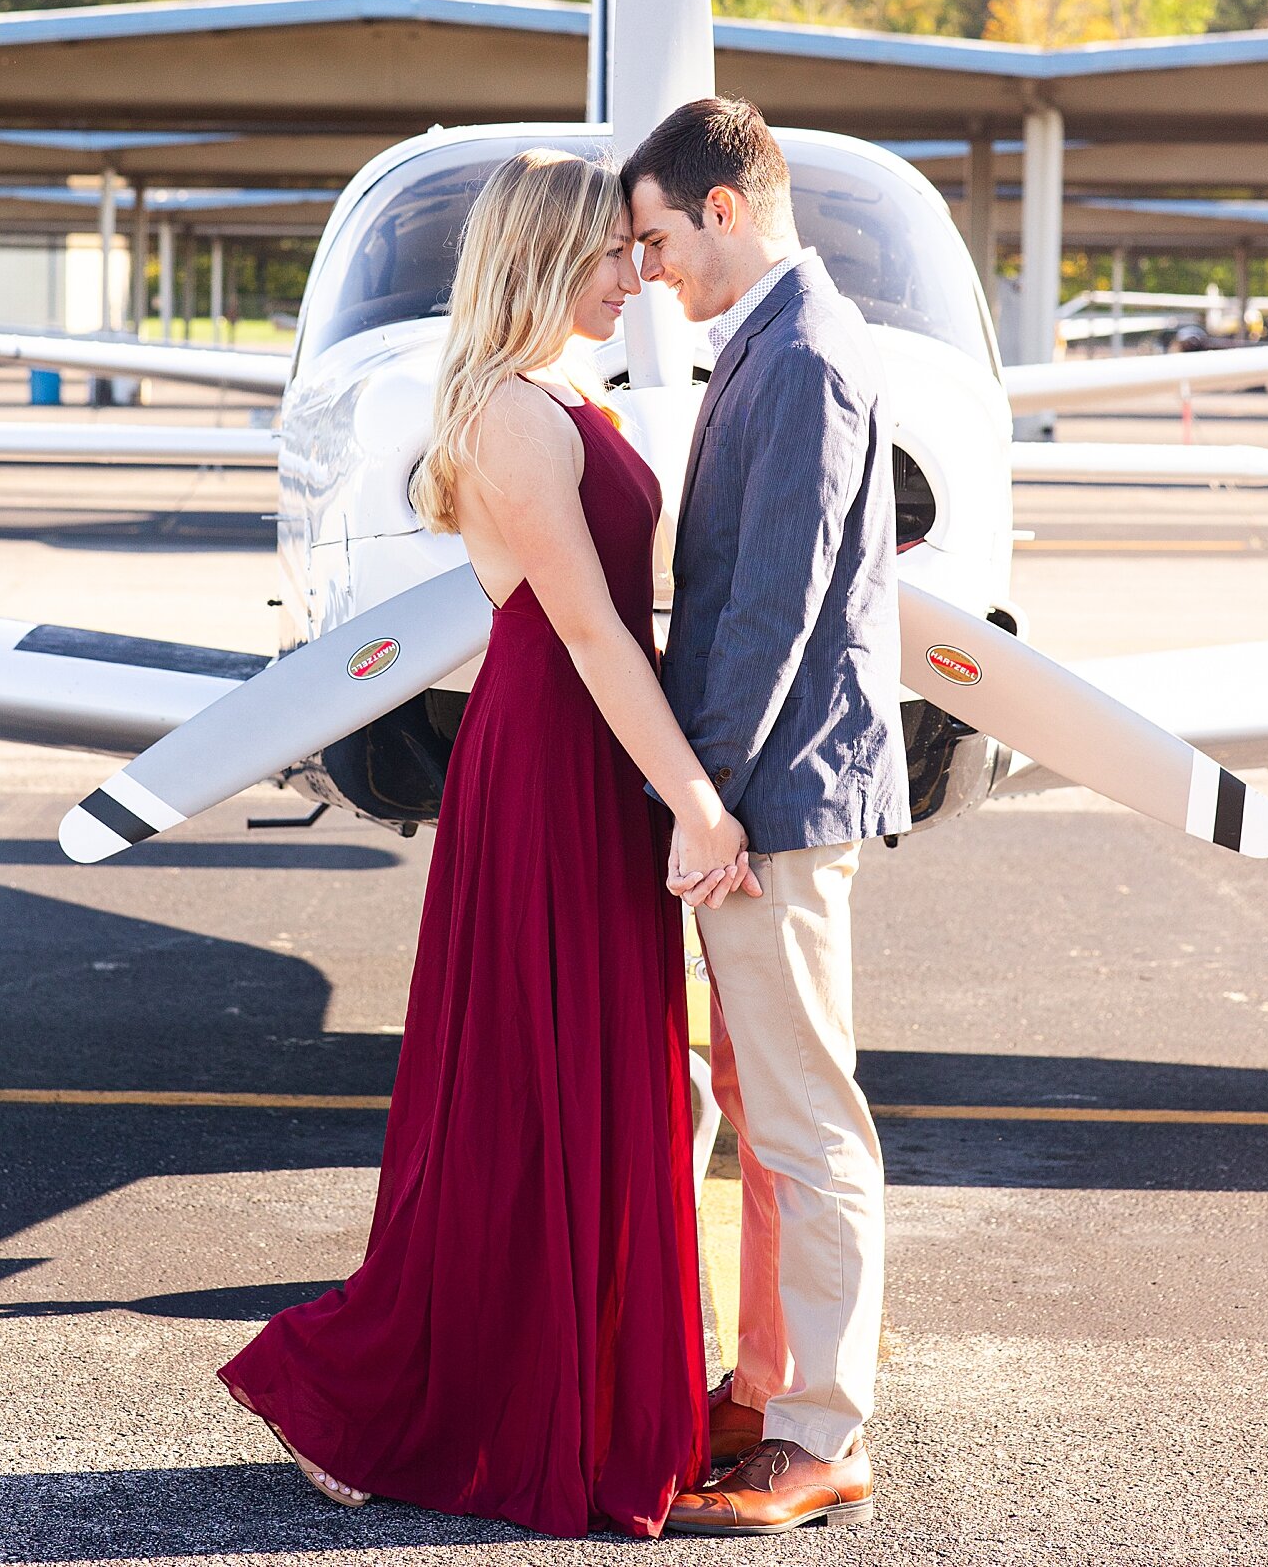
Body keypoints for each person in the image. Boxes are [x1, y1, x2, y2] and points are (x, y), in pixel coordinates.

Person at [219, 149, 758, 1538]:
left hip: (593, 750)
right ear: (541, 255)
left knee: (583, 1082)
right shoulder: (514, 416)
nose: (633, 275)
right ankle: (364, 1393)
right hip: (556, 754)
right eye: (609, 253)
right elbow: (586, 629)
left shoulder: (564, 396)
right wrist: (696, 803)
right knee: (532, 1091)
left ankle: (578, 1389)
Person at [624, 96, 908, 1538]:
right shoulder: (777, 344)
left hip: (777, 803)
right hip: (771, 797)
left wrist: (704, 798)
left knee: (804, 1120)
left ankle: (822, 1429)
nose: (652, 268)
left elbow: (771, 611)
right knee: (765, 1105)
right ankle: (772, 1385)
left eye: (660, 235)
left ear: (723, 208)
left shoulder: (800, 353)